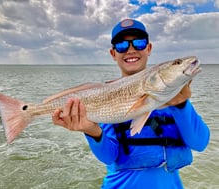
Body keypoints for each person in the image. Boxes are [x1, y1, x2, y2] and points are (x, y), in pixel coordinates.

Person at [52, 18, 210, 189]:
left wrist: (182, 105)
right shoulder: (106, 97)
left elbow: (200, 143)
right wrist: (91, 131)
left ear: (149, 48)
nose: (131, 50)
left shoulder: (172, 95)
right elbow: (109, 157)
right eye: (121, 45)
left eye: (139, 43)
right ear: (113, 54)